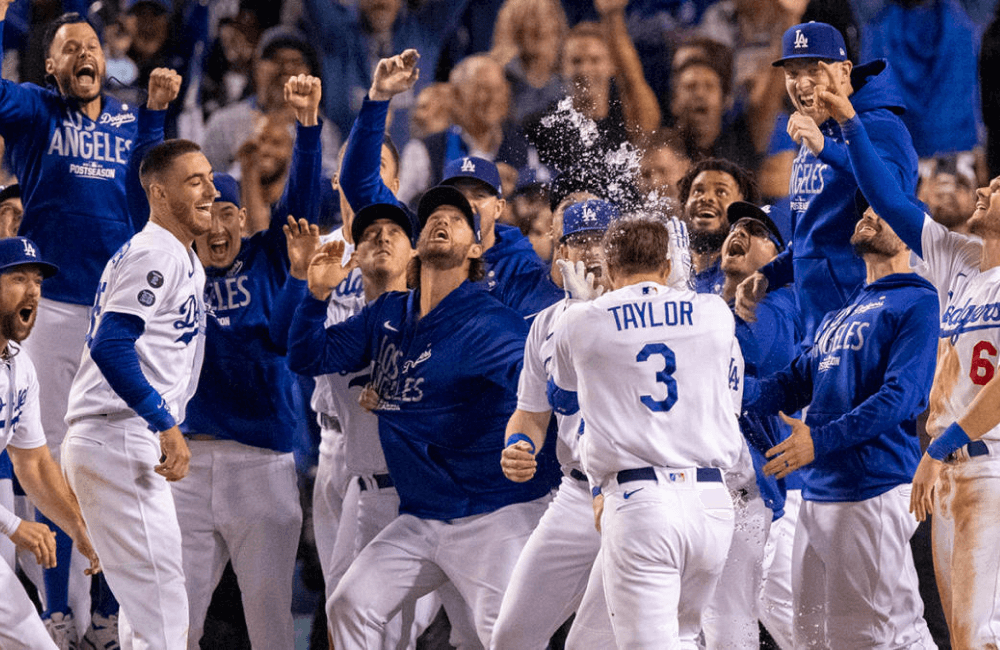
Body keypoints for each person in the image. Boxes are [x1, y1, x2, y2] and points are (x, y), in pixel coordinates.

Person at [288, 185, 552, 648]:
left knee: (506, 640)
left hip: (491, 515)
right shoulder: (390, 312)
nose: (441, 221)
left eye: (457, 218)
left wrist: (526, 444)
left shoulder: (487, 321)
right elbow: (308, 356)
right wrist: (315, 295)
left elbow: (538, 384)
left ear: (475, 247)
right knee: (348, 605)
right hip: (422, 515)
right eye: (432, 216)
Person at [0, 2, 185, 638]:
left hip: (117, 316)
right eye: (69, 47)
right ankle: (57, 610)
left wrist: (157, 116)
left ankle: (106, 613)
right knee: (49, 459)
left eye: (93, 46)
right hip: (49, 309)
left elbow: (148, 199)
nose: (84, 53)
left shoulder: (134, 119)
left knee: (109, 459)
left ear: (107, 63)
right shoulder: (32, 109)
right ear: (50, 65)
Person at [817, 66, 1000, 650]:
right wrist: (848, 123)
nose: (985, 189)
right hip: (951, 464)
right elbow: (891, 200)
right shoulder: (962, 260)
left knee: (976, 635)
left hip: (985, 460)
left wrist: (939, 448)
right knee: (964, 632)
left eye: (998, 188)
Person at [167, 73, 324, 650]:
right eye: (206, 211)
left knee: (269, 624)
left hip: (261, 464)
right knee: (175, 622)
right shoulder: (175, 269)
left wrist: (307, 127)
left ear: (243, 218)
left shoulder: (269, 259)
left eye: (228, 210)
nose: (218, 222)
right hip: (187, 462)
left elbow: (304, 201)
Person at [541, 215, 744, 648]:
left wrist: (579, 310)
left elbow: (561, 400)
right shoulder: (714, 313)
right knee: (685, 638)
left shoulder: (580, 321)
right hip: (711, 503)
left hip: (641, 503)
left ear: (609, 268)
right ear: (668, 267)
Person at [744, 197, 938, 647]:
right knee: (811, 637)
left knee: (880, 635)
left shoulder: (918, 300)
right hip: (820, 489)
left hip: (870, 485)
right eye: (866, 209)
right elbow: (791, 385)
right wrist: (726, 388)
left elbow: (903, 397)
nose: (869, 214)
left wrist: (820, 440)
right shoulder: (843, 310)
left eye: (883, 211)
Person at [61, 139, 213, 649]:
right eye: (195, 181)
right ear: (159, 194)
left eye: (209, 178)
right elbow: (111, 343)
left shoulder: (177, 256)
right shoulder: (156, 253)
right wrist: (162, 421)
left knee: (144, 612)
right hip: (120, 434)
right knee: (166, 610)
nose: (211, 190)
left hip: (113, 438)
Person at [341, 50, 563, 320]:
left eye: (480, 194)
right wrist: (378, 100)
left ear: (499, 206)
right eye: (456, 196)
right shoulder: (419, 227)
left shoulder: (519, 261)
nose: (468, 203)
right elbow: (360, 186)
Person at [736, 21, 918, 344]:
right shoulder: (816, 130)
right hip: (817, 329)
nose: (802, 84)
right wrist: (769, 275)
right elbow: (813, 238)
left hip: (865, 328)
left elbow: (894, 203)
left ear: (845, 71)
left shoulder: (882, 127)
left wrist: (828, 148)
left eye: (814, 70)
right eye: (792, 73)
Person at [493, 198, 620, 650]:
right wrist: (520, 444)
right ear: (558, 253)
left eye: (599, 241)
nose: (588, 253)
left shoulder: (636, 310)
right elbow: (529, 413)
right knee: (510, 635)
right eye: (576, 241)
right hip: (574, 493)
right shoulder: (545, 323)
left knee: (593, 642)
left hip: (633, 490)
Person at [0, 236, 100, 650]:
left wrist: (77, 526)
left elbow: (36, 462)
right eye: (19, 278)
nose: (34, 291)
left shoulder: (19, 364)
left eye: (38, 281)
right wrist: (13, 524)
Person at [716, 201, 803, 649]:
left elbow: (748, 351)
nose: (741, 233)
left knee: (779, 615)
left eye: (759, 230)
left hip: (772, 499)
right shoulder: (713, 301)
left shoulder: (777, 306)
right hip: (741, 491)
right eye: (739, 225)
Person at [676, 158, 760, 295]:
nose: (706, 198)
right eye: (698, 191)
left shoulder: (749, 276)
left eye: (721, 192)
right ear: (684, 204)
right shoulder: (664, 266)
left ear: (743, 209)